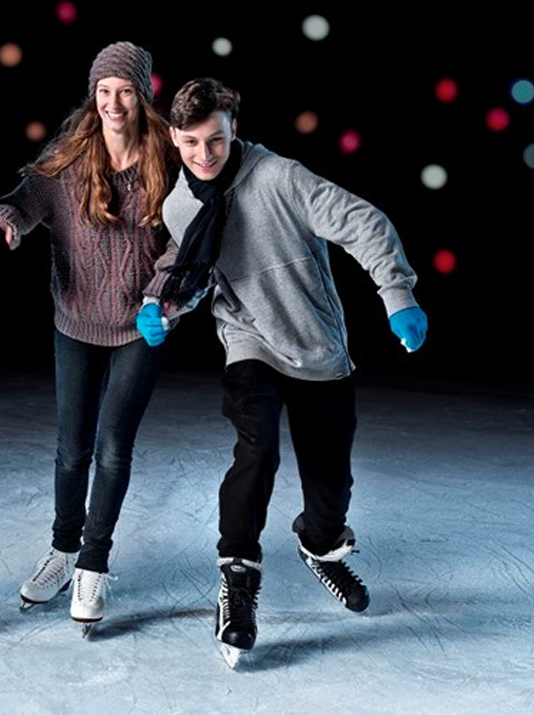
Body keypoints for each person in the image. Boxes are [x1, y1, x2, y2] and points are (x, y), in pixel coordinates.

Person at [137, 77, 428, 664]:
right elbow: (192, 270)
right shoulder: (178, 204)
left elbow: (365, 222)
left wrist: (398, 296)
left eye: (215, 140)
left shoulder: (281, 178)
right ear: (173, 138)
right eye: (190, 142)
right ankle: (238, 583)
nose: (204, 154)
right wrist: (160, 304)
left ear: (233, 129)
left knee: (331, 488)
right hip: (249, 341)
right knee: (257, 449)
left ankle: (319, 545)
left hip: (316, 347)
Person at [0, 41, 176, 633]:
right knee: (72, 448)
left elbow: (188, 238)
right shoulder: (70, 160)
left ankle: (94, 561)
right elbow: (28, 197)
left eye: (126, 90)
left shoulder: (168, 158)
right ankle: (64, 550)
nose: (114, 102)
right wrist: (6, 219)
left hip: (141, 322)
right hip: (76, 319)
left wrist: (159, 295)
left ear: (143, 96)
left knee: (114, 447)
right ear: (94, 95)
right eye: (104, 90)